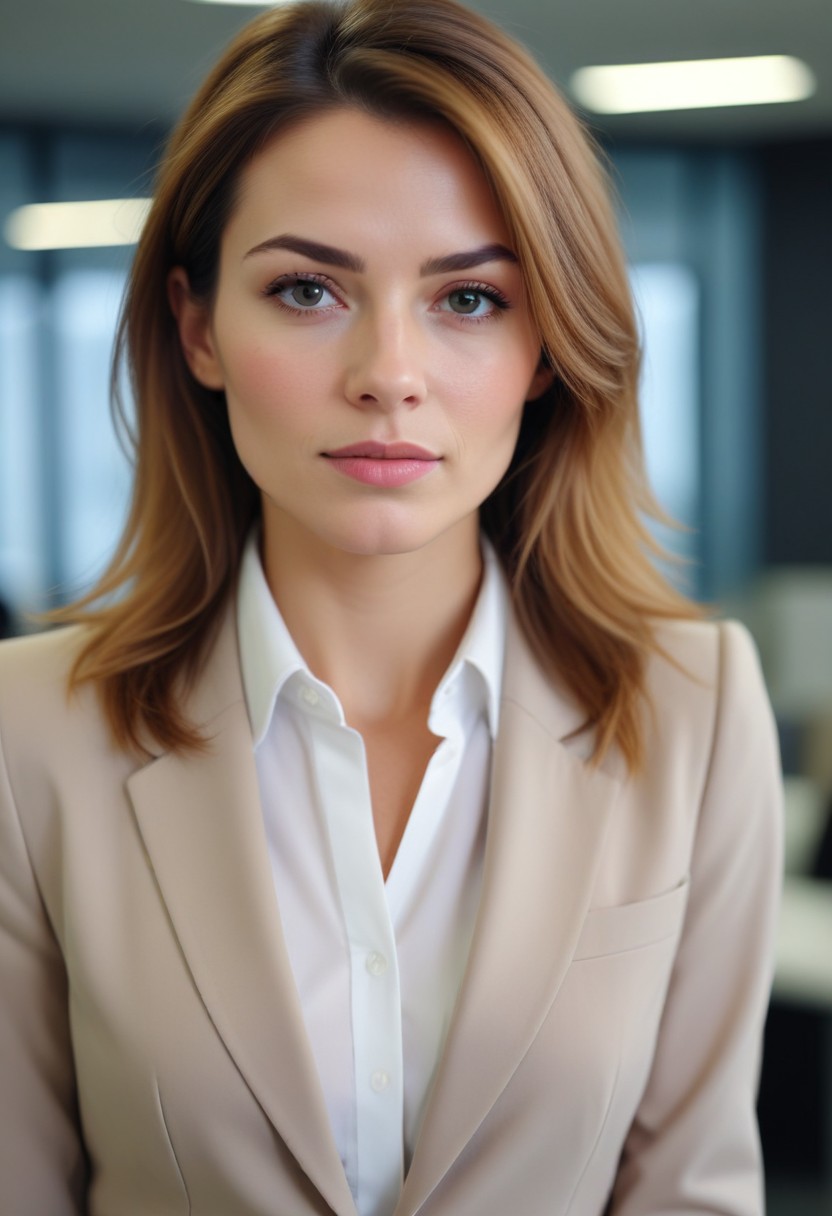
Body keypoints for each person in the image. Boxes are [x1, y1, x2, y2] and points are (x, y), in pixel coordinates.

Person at [0, 1, 782, 1213]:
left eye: (469, 299)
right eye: (308, 290)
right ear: (198, 325)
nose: (388, 376)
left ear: (546, 346)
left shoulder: (695, 707)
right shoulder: (27, 735)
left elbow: (694, 1189)